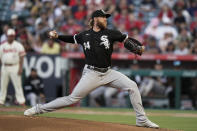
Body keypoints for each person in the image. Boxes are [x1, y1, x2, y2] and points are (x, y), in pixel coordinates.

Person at [24, 10, 159, 128]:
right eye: (103, 17)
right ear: (95, 19)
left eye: (106, 17)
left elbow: (127, 39)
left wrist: (140, 46)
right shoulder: (85, 35)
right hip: (91, 73)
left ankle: (141, 120)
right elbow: (72, 39)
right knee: (72, 99)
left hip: (108, 72)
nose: (105, 19)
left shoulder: (111, 33)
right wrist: (58, 36)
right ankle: (38, 109)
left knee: (132, 86)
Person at [0, 28, 26, 106]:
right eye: (9, 36)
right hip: (5, 66)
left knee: (18, 85)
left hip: (15, 66)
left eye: (12, 36)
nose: (11, 37)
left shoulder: (18, 45)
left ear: (14, 36)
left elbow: (22, 57)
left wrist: (20, 68)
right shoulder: (2, 46)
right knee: (3, 85)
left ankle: (21, 101)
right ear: (7, 36)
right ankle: (1, 101)